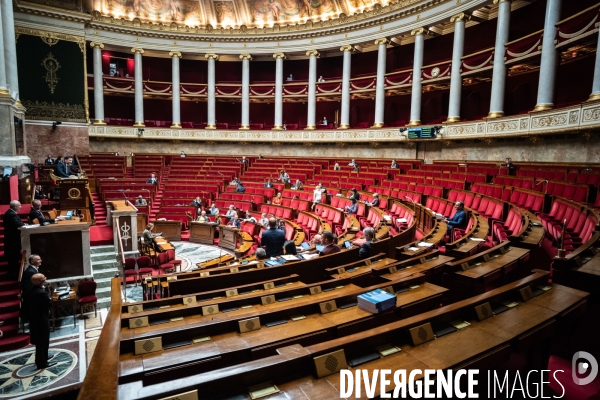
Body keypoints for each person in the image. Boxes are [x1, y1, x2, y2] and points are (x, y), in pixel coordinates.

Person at [29, 273, 55, 370]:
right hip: (41, 320)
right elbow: (49, 303)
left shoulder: (33, 289)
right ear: (38, 281)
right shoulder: (41, 292)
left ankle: (43, 357)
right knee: (43, 340)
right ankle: (42, 362)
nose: (46, 278)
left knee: (41, 341)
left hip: (36, 319)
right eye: (44, 277)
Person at [3, 200, 25, 278]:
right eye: (19, 206)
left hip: (12, 239)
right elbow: (17, 224)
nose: (20, 207)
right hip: (12, 240)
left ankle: (13, 271)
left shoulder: (11, 213)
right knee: (13, 257)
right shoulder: (11, 214)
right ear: (15, 206)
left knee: (14, 257)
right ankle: (12, 273)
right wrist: (24, 224)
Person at [19, 254, 42, 322]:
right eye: (38, 259)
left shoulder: (33, 270)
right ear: (32, 262)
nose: (40, 261)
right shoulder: (31, 272)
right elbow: (29, 286)